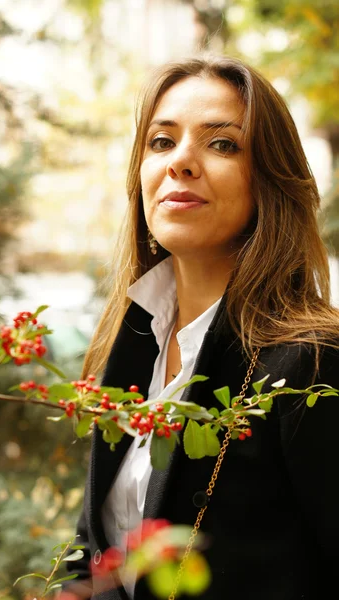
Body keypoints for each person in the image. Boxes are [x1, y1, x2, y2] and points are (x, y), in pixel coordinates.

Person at [61, 54, 339, 600]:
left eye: (222, 144)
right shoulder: (131, 338)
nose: (180, 162)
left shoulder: (312, 361)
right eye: (161, 142)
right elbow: (95, 544)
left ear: (269, 181)